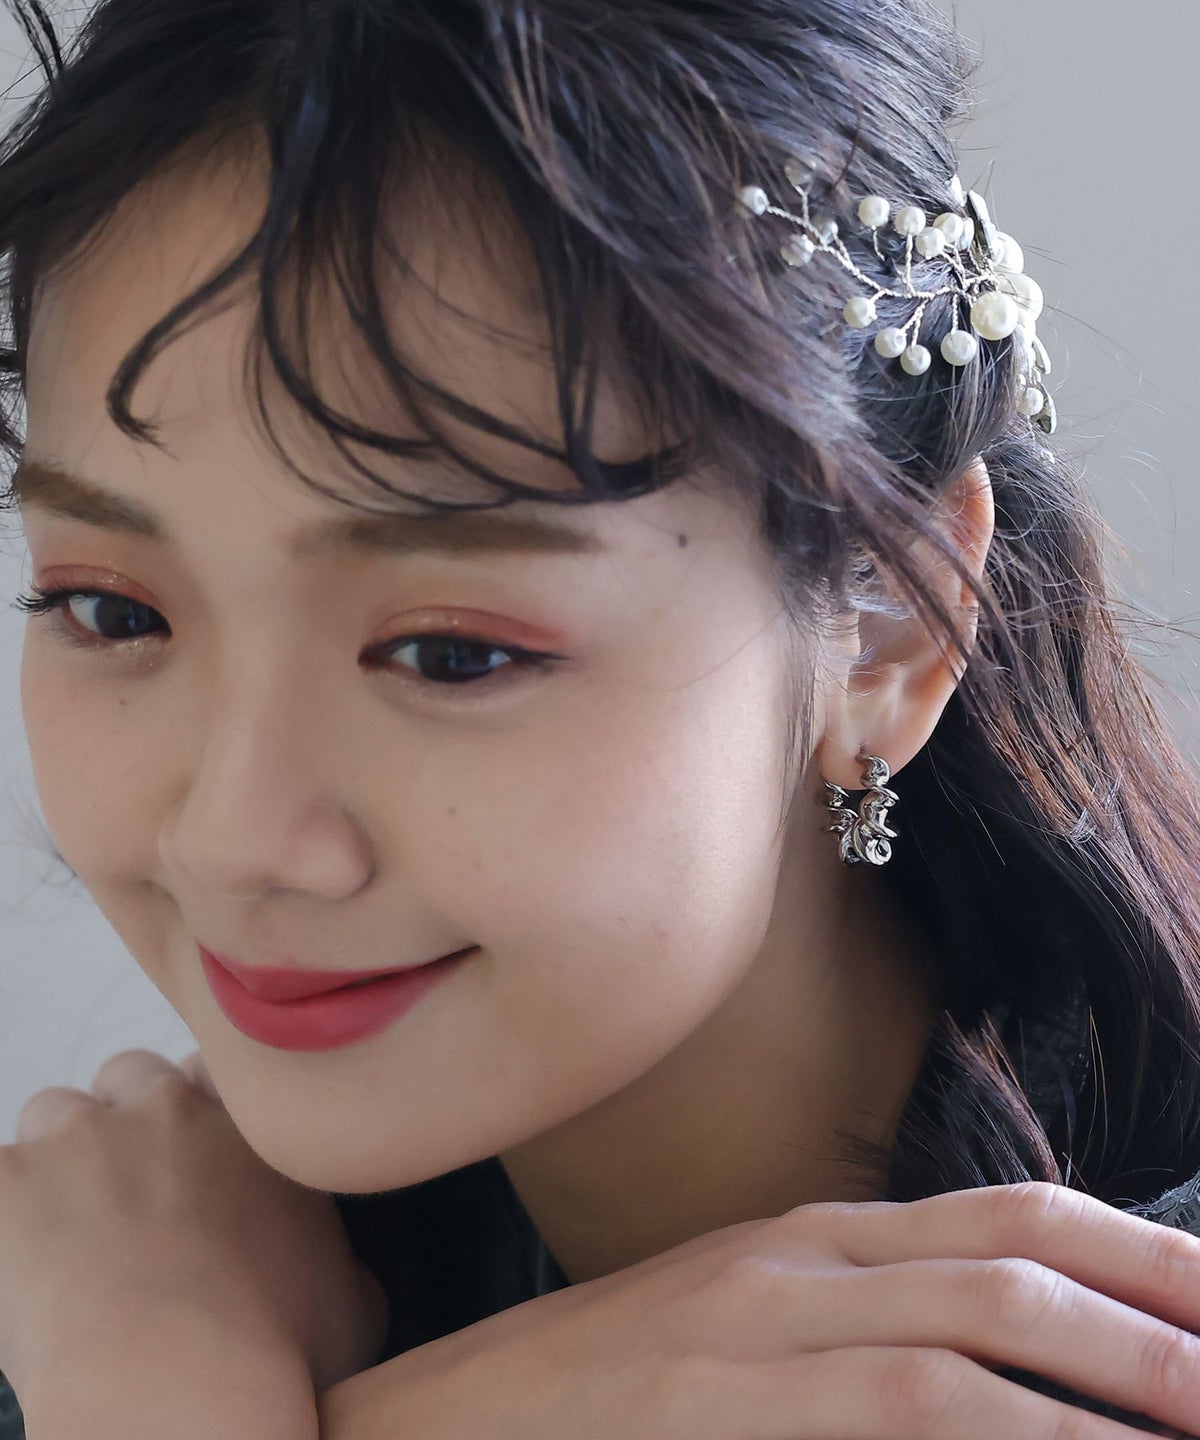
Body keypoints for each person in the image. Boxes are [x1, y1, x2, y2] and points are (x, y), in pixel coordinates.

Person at [1, 0, 1200, 1435]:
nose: (234, 841)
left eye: (449, 653)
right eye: (112, 613)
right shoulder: (139, 1288)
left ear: (891, 627)